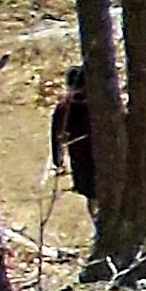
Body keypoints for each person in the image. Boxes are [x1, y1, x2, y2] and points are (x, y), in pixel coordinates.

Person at [47, 66, 98, 205]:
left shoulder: (64, 106)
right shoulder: (98, 104)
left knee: (92, 195)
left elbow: (56, 135)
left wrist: (58, 160)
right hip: (94, 158)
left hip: (83, 159)